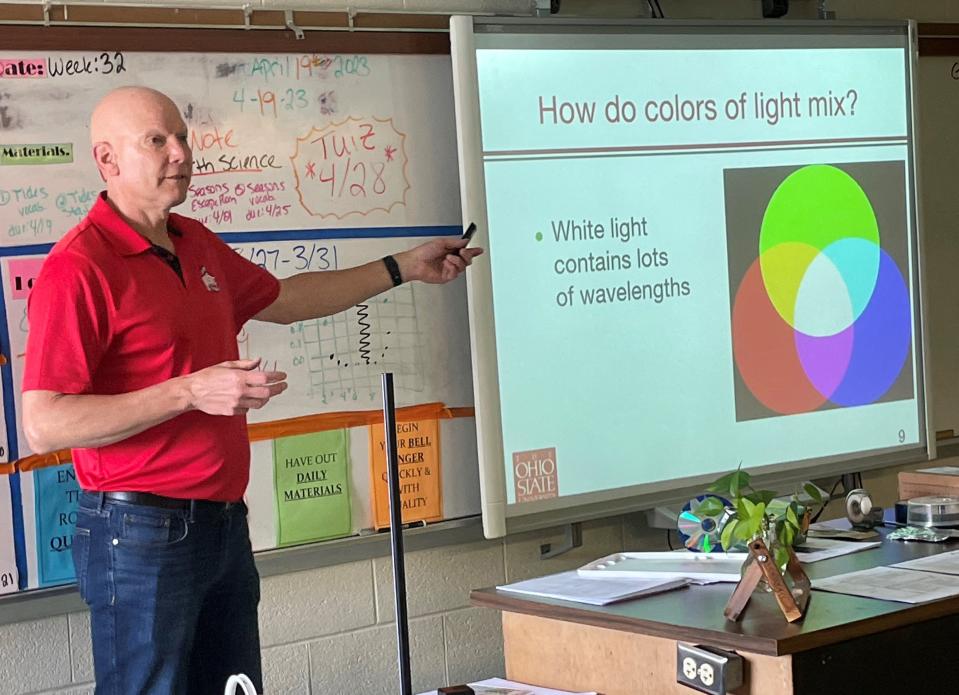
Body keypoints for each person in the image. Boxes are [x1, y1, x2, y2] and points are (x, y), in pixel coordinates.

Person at [20, 86, 481, 695]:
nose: (180, 152)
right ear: (108, 161)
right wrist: (187, 392)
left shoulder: (194, 242)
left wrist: (404, 266)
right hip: (136, 535)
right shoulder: (78, 267)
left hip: (223, 524)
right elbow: (44, 422)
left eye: (182, 136)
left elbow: (287, 300)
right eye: (157, 140)